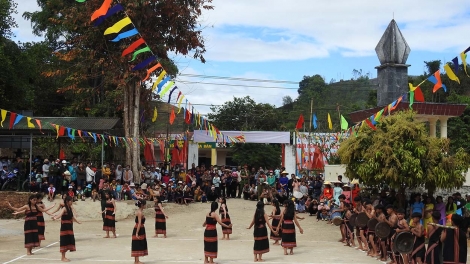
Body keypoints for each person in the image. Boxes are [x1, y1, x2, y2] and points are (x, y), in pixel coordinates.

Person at [53, 196, 81, 262]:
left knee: (69, 240)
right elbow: (60, 215)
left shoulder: (70, 208)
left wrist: (77, 221)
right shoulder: (64, 208)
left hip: (69, 227)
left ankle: (64, 256)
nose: (72, 202)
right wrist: (55, 218)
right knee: (64, 241)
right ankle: (63, 257)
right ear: (67, 202)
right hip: (64, 227)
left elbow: (72, 217)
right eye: (70, 201)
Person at [132, 199, 148, 264]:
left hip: (140, 228)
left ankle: (136, 260)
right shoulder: (140, 212)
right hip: (139, 228)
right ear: (142, 205)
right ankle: (136, 261)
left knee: (137, 243)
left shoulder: (139, 211)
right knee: (137, 244)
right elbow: (139, 223)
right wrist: (137, 233)